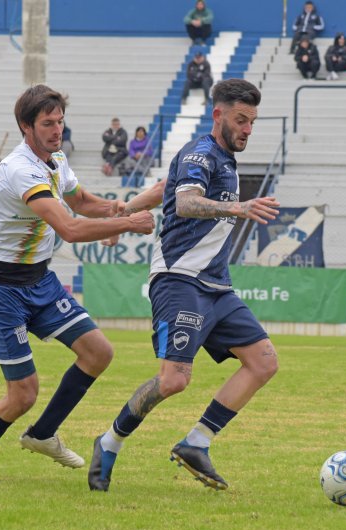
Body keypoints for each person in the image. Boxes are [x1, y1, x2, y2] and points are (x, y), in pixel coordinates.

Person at [0, 85, 158, 483]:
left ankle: (43, 434)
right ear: (26, 127)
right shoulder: (19, 170)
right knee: (23, 394)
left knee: (98, 352)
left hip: (39, 280)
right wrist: (126, 223)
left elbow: (81, 202)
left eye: (60, 121)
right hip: (2, 288)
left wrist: (121, 208)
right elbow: (69, 226)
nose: (56, 129)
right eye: (47, 123)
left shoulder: (56, 159)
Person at [87, 79, 281, 493]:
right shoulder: (201, 153)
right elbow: (186, 201)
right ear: (218, 115)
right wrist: (239, 207)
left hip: (215, 285)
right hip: (179, 280)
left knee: (263, 361)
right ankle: (108, 442)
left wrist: (122, 211)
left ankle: (197, 442)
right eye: (240, 120)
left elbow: (163, 188)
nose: (247, 129)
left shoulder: (223, 159)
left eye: (252, 122)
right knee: (174, 379)